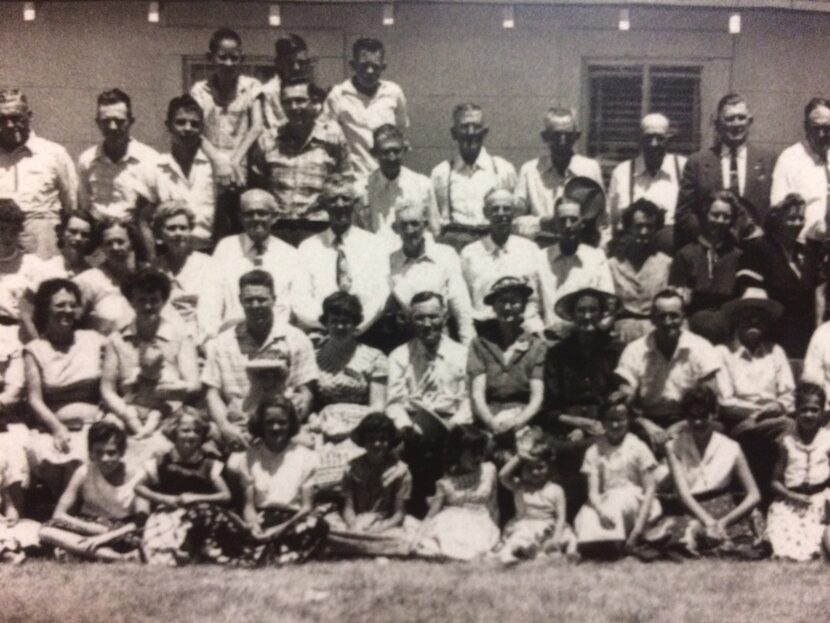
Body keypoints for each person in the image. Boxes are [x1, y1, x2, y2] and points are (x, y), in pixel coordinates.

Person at [202, 269, 318, 451]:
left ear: (274, 299)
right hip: (239, 423)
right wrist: (225, 427)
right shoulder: (221, 343)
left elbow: (306, 392)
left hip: (282, 424)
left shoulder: (296, 339)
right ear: (240, 300)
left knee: (307, 446)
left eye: (262, 299)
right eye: (249, 300)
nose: (256, 305)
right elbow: (212, 393)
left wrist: (290, 421)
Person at [650, 385, 766, 560]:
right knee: (682, 537)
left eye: (703, 416)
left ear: (714, 414)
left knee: (744, 540)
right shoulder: (673, 446)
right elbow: (683, 495)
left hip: (724, 509)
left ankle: (714, 543)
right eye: (692, 417)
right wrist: (709, 522)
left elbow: (754, 495)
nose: (698, 422)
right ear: (685, 418)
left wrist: (722, 522)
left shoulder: (731, 447)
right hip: (691, 509)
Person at [101, 268, 200, 467]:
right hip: (126, 410)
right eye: (141, 300)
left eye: (154, 300)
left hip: (168, 412)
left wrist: (170, 390)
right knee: (108, 438)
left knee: (164, 446)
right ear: (131, 301)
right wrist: (126, 414)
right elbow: (107, 390)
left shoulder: (180, 337)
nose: (148, 306)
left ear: (163, 301)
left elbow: (194, 385)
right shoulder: (117, 340)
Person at [387, 291, 471, 516]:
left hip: (453, 425)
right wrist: (405, 425)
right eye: (420, 318)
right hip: (414, 426)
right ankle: (404, 511)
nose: (427, 324)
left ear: (445, 316)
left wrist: (454, 424)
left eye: (433, 317)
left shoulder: (462, 354)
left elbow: (468, 400)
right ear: (411, 321)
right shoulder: (399, 356)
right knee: (398, 452)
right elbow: (394, 401)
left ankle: (453, 511)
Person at [24, 279, 106, 497]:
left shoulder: (93, 340)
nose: (67, 311)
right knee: (53, 459)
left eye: (72, 305)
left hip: (93, 426)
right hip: (52, 429)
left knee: (78, 459)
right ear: (45, 309)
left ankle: (72, 516)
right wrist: (58, 429)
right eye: (60, 305)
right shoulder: (35, 349)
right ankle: (65, 517)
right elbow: (34, 399)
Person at [227, 395, 330, 566]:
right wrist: (253, 525)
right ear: (261, 424)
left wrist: (278, 530)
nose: (276, 428)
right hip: (260, 518)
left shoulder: (307, 457)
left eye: (282, 422)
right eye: (269, 422)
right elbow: (248, 505)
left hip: (293, 520)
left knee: (317, 525)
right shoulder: (248, 456)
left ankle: (259, 553)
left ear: (290, 425)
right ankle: (274, 553)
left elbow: (306, 507)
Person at [615, 289, 722, 448]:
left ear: (683, 317)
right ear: (652, 319)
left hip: (691, 418)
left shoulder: (701, 347)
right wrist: (644, 423)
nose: (667, 322)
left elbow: (710, 399)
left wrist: (682, 425)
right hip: (647, 420)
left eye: (674, 315)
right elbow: (624, 397)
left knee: (715, 430)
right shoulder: (635, 350)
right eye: (661, 316)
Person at [249, 78, 350, 247]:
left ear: (314, 103)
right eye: (287, 102)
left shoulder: (332, 138)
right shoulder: (268, 140)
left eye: (300, 100)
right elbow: (258, 189)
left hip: (318, 229)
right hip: (277, 230)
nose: (294, 107)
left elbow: (345, 180)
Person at [305, 292, 387, 492]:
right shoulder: (313, 358)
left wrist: (352, 430)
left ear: (355, 323)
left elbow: (378, 406)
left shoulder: (374, 357)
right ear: (326, 323)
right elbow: (309, 402)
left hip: (362, 427)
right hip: (324, 427)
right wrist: (317, 423)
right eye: (334, 321)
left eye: (346, 321)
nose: (340, 327)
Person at [293, 175, 390, 342]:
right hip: (320, 335)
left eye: (345, 199)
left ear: (355, 202)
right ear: (323, 204)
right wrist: (331, 327)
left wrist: (354, 328)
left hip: (366, 334)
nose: (339, 205)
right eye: (333, 200)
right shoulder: (307, 248)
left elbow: (381, 295)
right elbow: (300, 297)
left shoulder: (375, 245)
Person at [717, 287, 794, 498]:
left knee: (791, 427)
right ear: (736, 319)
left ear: (767, 323)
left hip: (775, 419)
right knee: (787, 428)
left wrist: (778, 406)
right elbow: (726, 403)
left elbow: (788, 395)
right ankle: (763, 494)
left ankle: (784, 491)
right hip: (740, 422)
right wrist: (761, 412)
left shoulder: (775, 352)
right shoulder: (723, 353)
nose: (754, 321)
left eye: (760, 317)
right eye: (748, 316)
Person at [135, 408, 236, 566]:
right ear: (174, 432)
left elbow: (225, 495)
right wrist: (163, 498)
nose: (191, 435)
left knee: (202, 524)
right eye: (185, 430)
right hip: (167, 512)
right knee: (160, 549)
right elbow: (139, 487)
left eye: (197, 431)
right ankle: (180, 553)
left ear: (202, 436)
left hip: (199, 515)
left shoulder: (208, 464)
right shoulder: (162, 462)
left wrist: (196, 497)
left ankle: (194, 551)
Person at [676, 94, 776, 249]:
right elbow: (684, 213)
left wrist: (764, 235)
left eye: (741, 118)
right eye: (729, 119)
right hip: (712, 250)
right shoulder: (698, 162)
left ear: (750, 121)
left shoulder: (768, 161)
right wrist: (707, 238)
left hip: (757, 250)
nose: (736, 124)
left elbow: (775, 210)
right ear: (717, 124)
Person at [190, 28, 263, 240]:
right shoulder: (199, 90)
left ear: (242, 59)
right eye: (223, 57)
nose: (229, 63)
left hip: (241, 171)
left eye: (234, 58)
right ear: (210, 58)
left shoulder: (251, 87)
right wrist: (218, 161)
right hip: (210, 170)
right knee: (212, 228)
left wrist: (233, 162)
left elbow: (257, 126)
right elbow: (196, 130)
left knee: (241, 229)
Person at [39, 422, 146, 562]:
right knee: (45, 531)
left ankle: (80, 552)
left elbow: (141, 522)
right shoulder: (84, 471)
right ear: (90, 452)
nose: (105, 459)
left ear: (122, 451)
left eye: (111, 452)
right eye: (98, 452)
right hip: (87, 526)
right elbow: (59, 514)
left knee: (134, 539)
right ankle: (121, 558)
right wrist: (92, 529)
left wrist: (106, 536)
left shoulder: (138, 475)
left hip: (121, 531)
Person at [205, 189, 303, 338]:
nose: (255, 218)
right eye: (249, 214)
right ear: (240, 218)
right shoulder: (226, 248)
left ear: (274, 217)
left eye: (262, 213)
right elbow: (211, 300)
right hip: (233, 336)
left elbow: (298, 303)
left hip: (278, 336)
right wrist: (209, 338)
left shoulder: (290, 254)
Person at [77, 88, 160, 255]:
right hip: (98, 244)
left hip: (137, 245)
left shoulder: (151, 160)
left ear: (131, 121)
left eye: (119, 121)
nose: (112, 127)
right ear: (97, 122)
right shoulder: (86, 160)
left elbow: (158, 210)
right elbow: (84, 207)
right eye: (106, 121)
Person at [574, 403, 661, 559]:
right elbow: (593, 493)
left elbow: (650, 490)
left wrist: (638, 529)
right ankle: (602, 547)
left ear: (628, 421)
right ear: (602, 422)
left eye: (620, 420)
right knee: (586, 515)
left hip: (635, 501)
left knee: (616, 503)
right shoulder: (593, 451)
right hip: (604, 500)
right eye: (610, 420)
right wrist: (600, 512)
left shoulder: (638, 447)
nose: (615, 425)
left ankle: (618, 544)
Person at [739, 193, 820, 357]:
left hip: (805, 336)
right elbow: (752, 298)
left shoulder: (806, 252)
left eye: (801, 218)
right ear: (776, 219)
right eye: (791, 218)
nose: (797, 223)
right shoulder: (758, 249)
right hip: (772, 337)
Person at [0, 88, 78, 259]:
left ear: (29, 115)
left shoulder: (54, 154)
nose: (9, 125)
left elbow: (71, 206)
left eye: (15, 118)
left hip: (44, 244)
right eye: (2, 119)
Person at [468, 277, 546, 446]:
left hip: (524, 419)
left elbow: (537, 398)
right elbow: (477, 395)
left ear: (524, 306)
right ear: (494, 307)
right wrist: (491, 423)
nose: (508, 307)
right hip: (489, 419)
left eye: (514, 302)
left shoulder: (537, 346)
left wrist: (516, 423)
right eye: (502, 301)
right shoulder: (480, 344)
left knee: (529, 448)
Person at [326, 413, 417, 557]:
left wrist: (378, 529)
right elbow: (348, 507)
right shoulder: (352, 468)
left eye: (382, 439)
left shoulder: (401, 471)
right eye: (371, 439)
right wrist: (353, 526)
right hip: (358, 520)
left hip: (386, 523)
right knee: (328, 528)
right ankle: (365, 545)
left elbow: (399, 514)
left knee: (407, 537)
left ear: (390, 441)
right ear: (363, 441)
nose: (377, 444)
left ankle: (361, 546)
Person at [387, 201, 474, 350]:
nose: (410, 230)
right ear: (395, 229)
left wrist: (470, 350)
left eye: (415, 224)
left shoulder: (446, 255)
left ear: (425, 225)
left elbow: (461, 308)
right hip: (406, 343)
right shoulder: (390, 263)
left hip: (443, 338)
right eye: (404, 225)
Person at [431, 103, 517, 252]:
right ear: (454, 133)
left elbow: (513, 217)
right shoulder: (441, 173)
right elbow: (435, 223)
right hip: (453, 247)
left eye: (476, 127)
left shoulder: (503, 169)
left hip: (491, 247)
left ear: (485, 132)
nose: (471, 133)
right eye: (464, 127)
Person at [460, 189, 545, 334]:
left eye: (506, 208)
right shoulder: (469, 253)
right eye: (495, 209)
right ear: (486, 213)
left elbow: (536, 298)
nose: (501, 214)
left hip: (524, 326)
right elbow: (464, 303)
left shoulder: (530, 249)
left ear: (514, 213)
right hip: (485, 328)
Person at [324, 38, 409, 178]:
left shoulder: (394, 92)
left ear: (383, 66)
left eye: (375, 66)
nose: (369, 71)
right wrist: (331, 125)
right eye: (364, 65)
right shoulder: (337, 95)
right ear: (353, 65)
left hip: (388, 177)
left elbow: (400, 129)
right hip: (354, 178)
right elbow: (325, 131)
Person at [514, 108, 603, 239]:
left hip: (579, 248)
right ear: (545, 137)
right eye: (556, 136)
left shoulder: (590, 169)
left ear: (576, 136)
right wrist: (544, 223)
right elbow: (515, 222)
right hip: (541, 250)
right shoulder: (530, 171)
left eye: (568, 136)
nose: (562, 141)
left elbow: (602, 220)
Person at [414, 425, 499, 561]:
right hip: (452, 523)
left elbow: (494, 505)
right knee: (443, 539)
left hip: (481, 522)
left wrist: (496, 530)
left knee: (482, 544)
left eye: (480, 452)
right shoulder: (446, 483)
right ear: (457, 452)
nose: (478, 457)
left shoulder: (489, 471)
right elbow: (432, 512)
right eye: (472, 452)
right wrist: (419, 534)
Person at [766, 383, 830, 562]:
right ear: (796, 411)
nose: (809, 415)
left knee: (819, 540)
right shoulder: (786, 442)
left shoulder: (827, 440)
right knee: (787, 546)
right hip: (791, 502)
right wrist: (791, 496)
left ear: (822, 412)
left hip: (820, 501)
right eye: (804, 410)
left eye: (814, 410)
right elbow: (774, 482)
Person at [538, 188, 615, 335]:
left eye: (573, 220)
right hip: (547, 339)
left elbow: (608, 305)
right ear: (555, 225)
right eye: (562, 220)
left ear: (582, 223)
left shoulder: (596, 257)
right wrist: (541, 334)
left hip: (587, 338)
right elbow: (532, 306)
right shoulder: (541, 258)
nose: (568, 225)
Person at [669, 190, 743, 344]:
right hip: (693, 334)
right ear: (704, 215)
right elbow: (678, 305)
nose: (720, 220)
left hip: (728, 336)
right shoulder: (686, 254)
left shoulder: (738, 256)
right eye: (715, 215)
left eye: (726, 217)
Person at [494, 431, 575, 565]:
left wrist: (556, 537)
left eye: (540, 467)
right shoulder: (519, 486)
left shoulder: (556, 489)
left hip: (548, 525)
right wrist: (520, 457)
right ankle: (508, 555)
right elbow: (503, 476)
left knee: (569, 537)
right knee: (518, 538)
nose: (535, 472)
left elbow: (561, 517)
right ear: (523, 468)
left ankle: (570, 551)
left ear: (549, 466)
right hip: (525, 524)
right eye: (530, 468)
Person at [607, 113, 686, 249]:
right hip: (633, 255)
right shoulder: (622, 172)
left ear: (668, 140)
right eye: (648, 138)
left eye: (659, 138)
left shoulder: (683, 167)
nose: (653, 144)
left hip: (673, 252)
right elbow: (611, 222)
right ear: (640, 140)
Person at [153, 95, 217, 253]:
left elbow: (223, 219)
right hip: (167, 252)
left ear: (202, 129)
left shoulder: (213, 168)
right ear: (168, 125)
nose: (188, 128)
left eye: (194, 124)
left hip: (207, 251)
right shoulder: (155, 167)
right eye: (180, 122)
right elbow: (143, 218)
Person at [359, 124, 440, 246]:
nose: (392, 157)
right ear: (374, 153)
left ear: (404, 150)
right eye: (385, 152)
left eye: (396, 151)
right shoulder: (362, 189)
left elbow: (434, 230)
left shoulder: (422, 185)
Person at [608, 199, 673, 343]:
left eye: (649, 226)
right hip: (622, 333)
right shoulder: (613, 265)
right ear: (629, 228)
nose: (644, 232)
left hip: (656, 332)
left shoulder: (666, 263)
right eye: (638, 226)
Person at [151, 201, 214, 346]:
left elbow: (212, 312)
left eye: (183, 228)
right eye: (171, 228)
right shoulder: (154, 269)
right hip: (165, 339)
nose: (178, 233)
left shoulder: (209, 265)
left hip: (202, 339)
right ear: (160, 233)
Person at [771, 97, 830, 242]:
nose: (821, 134)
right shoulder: (789, 159)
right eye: (816, 128)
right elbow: (778, 210)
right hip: (803, 248)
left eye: (827, 128)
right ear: (806, 127)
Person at [73, 218, 140, 335]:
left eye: (120, 241)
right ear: (102, 247)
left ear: (132, 243)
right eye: (109, 243)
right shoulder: (88, 281)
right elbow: (70, 324)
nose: (115, 247)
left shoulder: (142, 280)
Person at [0, 198, 44, 340]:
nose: (7, 237)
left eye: (13, 231)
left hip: (18, 336)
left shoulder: (33, 264)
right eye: (1, 230)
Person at [259, 34, 315, 131]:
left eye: (301, 62)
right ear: (278, 63)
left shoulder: (312, 90)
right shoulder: (267, 93)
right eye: (289, 63)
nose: (296, 67)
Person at [37, 209, 98, 282]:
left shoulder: (93, 276)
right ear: (62, 233)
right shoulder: (46, 269)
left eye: (84, 235)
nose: (78, 238)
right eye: (73, 232)